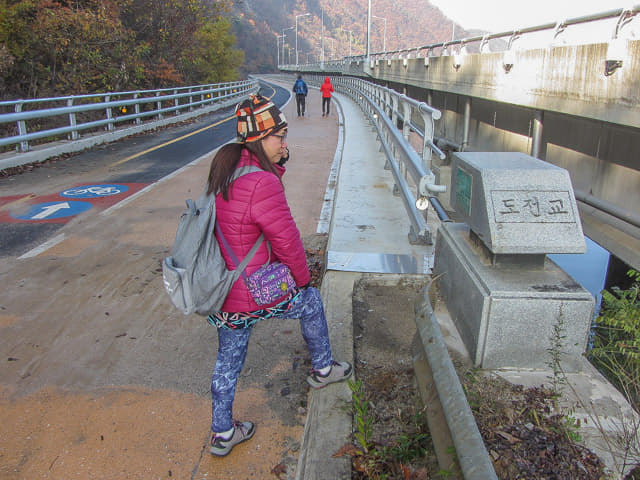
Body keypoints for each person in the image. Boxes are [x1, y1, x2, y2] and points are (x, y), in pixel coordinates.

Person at [205, 93, 352, 457]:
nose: (285, 144)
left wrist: (278, 164)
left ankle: (223, 432)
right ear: (259, 139)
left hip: (225, 290)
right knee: (311, 301)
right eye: (280, 137)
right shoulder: (262, 182)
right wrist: (301, 280)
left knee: (228, 360)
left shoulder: (226, 169)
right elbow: (286, 242)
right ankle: (322, 369)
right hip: (255, 289)